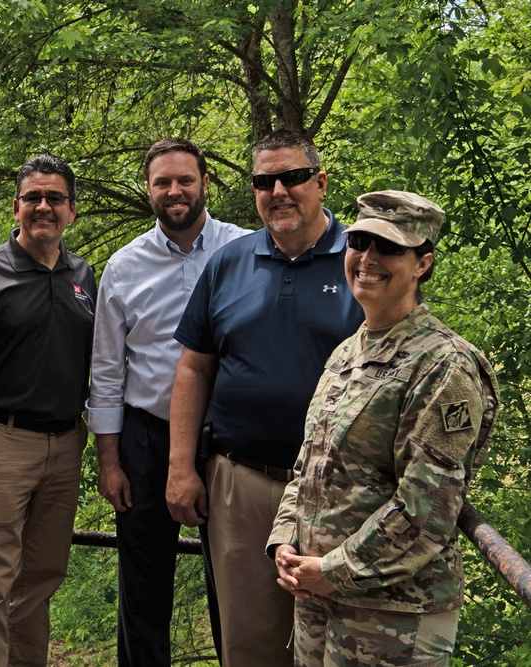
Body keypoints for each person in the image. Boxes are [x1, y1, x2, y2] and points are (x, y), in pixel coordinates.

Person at [268, 191, 498, 666]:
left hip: (393, 615)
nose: (368, 259)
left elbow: (427, 505)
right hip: (318, 599)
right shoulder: (347, 353)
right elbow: (308, 466)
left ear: (423, 264)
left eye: (390, 248)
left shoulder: (444, 364)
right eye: (360, 242)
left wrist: (333, 569)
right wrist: (285, 540)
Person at [166, 128, 364, 666]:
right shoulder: (228, 263)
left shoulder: (363, 262)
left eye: (293, 177)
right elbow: (192, 368)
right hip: (241, 483)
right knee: (249, 645)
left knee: (336, 643)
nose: (278, 190)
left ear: (320, 183)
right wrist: (181, 466)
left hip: (340, 490)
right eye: (264, 181)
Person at [86, 138, 250, 666]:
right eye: (163, 182)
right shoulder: (124, 266)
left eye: (184, 180)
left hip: (229, 441)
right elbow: (107, 370)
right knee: (142, 584)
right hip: (146, 438)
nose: (174, 191)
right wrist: (109, 460)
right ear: (149, 190)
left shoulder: (247, 252)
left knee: (237, 585)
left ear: (205, 182)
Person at [0, 154, 97, 667]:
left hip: (67, 444)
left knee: (43, 576)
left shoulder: (84, 276)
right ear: (17, 207)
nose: (43, 207)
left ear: (72, 211)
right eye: (33, 197)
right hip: (1, 443)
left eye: (54, 198)